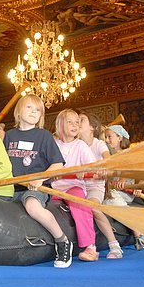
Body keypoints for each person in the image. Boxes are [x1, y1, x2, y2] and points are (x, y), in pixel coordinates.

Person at [3, 94, 72, 268]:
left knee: (32, 206)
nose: (34, 112)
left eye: (38, 110)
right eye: (29, 108)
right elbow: (1, 164)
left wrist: (41, 179)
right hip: (12, 188)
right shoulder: (9, 136)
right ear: (19, 111)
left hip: (36, 188)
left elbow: (57, 164)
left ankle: (62, 240)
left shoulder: (44, 136)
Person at [52, 109, 100, 261]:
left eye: (77, 122)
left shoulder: (80, 145)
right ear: (60, 124)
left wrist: (83, 172)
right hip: (53, 188)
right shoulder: (53, 144)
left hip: (73, 186)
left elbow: (92, 167)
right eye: (70, 122)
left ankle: (90, 246)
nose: (74, 125)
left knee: (81, 205)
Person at [78, 110, 123, 259]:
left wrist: (105, 166)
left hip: (94, 186)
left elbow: (106, 157)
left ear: (92, 127)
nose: (77, 123)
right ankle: (89, 245)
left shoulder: (98, 144)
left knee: (92, 207)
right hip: (80, 186)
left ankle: (114, 244)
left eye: (82, 120)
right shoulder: (77, 145)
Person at [104, 124, 144, 251]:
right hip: (116, 190)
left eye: (109, 136)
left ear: (120, 138)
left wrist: (139, 187)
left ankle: (138, 232)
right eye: (106, 137)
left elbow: (138, 171)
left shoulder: (127, 154)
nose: (107, 140)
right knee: (107, 199)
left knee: (111, 199)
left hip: (126, 191)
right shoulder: (111, 156)